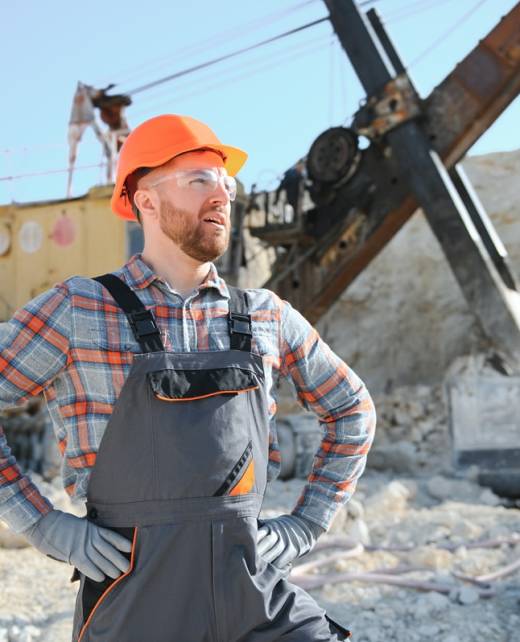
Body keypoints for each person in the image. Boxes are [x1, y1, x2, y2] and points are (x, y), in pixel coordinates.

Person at [0, 114, 376, 641]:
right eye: (200, 179)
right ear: (145, 200)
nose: (222, 195)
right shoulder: (77, 310)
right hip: (136, 599)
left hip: (251, 590)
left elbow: (352, 409)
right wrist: (40, 522)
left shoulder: (265, 315)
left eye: (226, 183)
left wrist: (307, 523)